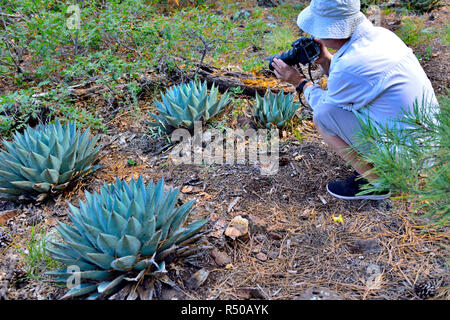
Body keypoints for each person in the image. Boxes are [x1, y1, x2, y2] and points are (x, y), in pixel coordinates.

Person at [271, 0, 438, 200]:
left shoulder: (349, 65)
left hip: (408, 158)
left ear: (332, 32)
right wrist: (325, 60)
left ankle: (375, 183)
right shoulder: (384, 36)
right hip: (429, 146)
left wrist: (298, 81)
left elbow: (326, 105)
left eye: (320, 30)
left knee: (323, 117)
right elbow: (357, 80)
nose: (318, 36)